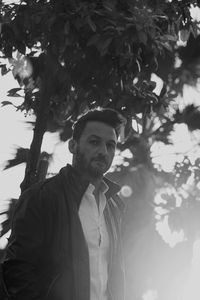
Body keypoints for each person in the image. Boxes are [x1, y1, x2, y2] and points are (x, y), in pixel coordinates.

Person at [1, 108, 126, 300]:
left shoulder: (113, 206)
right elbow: (17, 272)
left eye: (110, 145)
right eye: (94, 142)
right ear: (73, 145)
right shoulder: (42, 197)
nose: (103, 151)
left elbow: (114, 276)